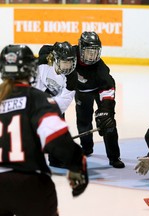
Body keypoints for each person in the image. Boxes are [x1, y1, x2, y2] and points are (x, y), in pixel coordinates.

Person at [0, 44, 88, 216]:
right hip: (30, 183)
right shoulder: (37, 99)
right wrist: (78, 165)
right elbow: (58, 140)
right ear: (31, 69)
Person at [74, 31, 125, 168]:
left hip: (99, 91)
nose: (92, 56)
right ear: (80, 48)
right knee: (83, 120)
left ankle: (114, 157)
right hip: (81, 92)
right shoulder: (71, 54)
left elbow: (108, 89)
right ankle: (86, 148)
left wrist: (106, 111)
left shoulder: (101, 70)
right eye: (89, 52)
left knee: (108, 123)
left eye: (95, 52)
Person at [35, 41, 77, 115]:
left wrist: (51, 109)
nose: (68, 66)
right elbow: (35, 81)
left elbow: (65, 99)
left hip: (55, 104)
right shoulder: (43, 63)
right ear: (56, 60)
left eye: (70, 62)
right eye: (64, 62)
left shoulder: (72, 77)